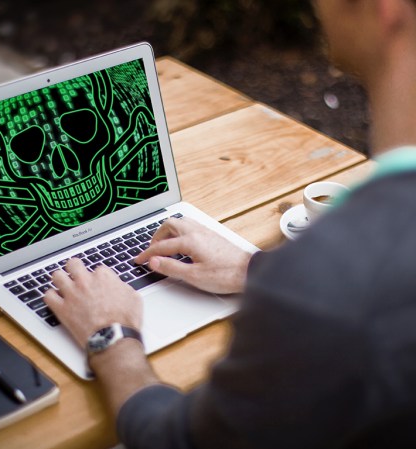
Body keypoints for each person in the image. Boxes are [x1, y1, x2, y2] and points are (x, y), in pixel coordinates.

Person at [44, 0, 416, 447]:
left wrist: (112, 336)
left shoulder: (329, 283)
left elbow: (176, 442)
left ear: (386, 8)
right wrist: (254, 268)